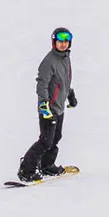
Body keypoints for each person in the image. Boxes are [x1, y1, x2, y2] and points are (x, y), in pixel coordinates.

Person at [17, 28, 76, 183]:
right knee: (45, 141)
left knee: (56, 137)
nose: (63, 44)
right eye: (60, 41)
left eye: (65, 42)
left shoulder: (65, 59)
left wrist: (70, 93)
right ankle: (26, 170)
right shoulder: (49, 61)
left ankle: (47, 165)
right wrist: (44, 105)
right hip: (49, 108)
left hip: (59, 106)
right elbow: (42, 85)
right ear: (53, 42)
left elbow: (63, 81)